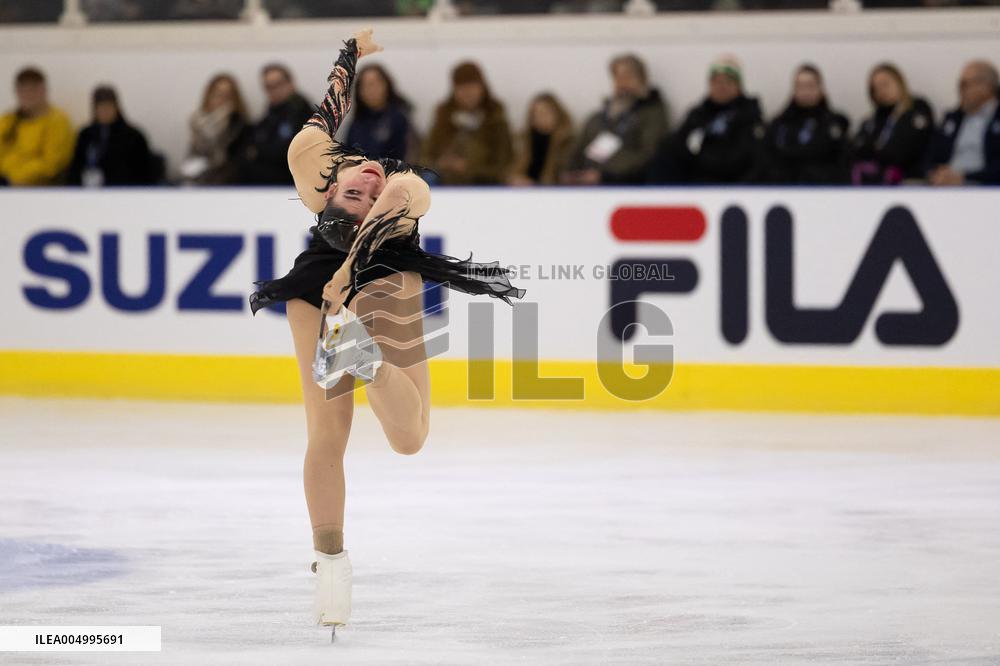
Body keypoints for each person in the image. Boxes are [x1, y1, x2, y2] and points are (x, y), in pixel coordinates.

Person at [247, 29, 525, 638]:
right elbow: (397, 187)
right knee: (399, 435)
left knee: (356, 438)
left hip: (338, 284)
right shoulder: (378, 183)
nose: (372, 181)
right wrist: (346, 278)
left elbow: (330, 107)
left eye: (366, 188)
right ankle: (330, 557)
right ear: (327, 204)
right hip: (371, 280)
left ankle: (331, 567)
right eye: (361, 192)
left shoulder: (331, 170)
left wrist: (349, 53)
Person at [656, 55, 764, 184]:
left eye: (727, 82)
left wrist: (703, 157)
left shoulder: (749, 115)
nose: (721, 87)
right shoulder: (698, 114)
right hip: (696, 184)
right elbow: (677, 145)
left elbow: (744, 155)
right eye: (716, 81)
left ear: (738, 85)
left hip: (733, 184)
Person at [563, 53, 667, 185]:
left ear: (642, 79)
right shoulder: (597, 119)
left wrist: (606, 176)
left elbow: (649, 156)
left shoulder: (653, 114)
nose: (622, 83)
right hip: (587, 186)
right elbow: (576, 151)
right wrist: (571, 172)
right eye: (617, 77)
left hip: (625, 187)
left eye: (628, 77)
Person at [752, 64, 850, 185]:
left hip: (821, 190)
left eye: (810, 86)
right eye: (800, 86)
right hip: (782, 189)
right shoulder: (779, 125)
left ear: (821, 89)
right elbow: (766, 158)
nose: (805, 92)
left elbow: (840, 162)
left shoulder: (833, 125)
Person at [420, 61, 513, 185]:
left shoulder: (495, 118)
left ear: (482, 88)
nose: (468, 93)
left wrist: (468, 168)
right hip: (445, 184)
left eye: (472, 86)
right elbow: (425, 158)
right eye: (462, 87)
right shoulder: (443, 117)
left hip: (484, 185)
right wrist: (441, 163)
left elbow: (504, 164)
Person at [849, 63, 934, 185]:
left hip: (910, 179)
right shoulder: (874, 118)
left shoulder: (917, 108)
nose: (881, 91)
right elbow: (855, 150)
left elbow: (902, 152)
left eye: (885, 84)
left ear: (899, 82)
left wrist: (875, 150)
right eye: (875, 88)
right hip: (874, 180)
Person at [235, 63, 313, 185]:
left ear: (291, 84)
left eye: (278, 84)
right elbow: (251, 144)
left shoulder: (304, 114)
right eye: (268, 87)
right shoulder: (270, 114)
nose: (274, 91)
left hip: (290, 185)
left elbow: (287, 153)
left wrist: (258, 151)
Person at [927, 60, 1000, 186]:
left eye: (965, 84)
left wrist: (965, 177)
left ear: (987, 86)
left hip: (987, 189)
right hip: (946, 187)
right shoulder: (952, 119)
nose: (960, 89)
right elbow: (930, 155)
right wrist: (936, 173)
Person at [67, 85, 155, 187]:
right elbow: (75, 169)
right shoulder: (85, 135)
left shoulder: (134, 137)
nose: (105, 111)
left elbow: (144, 173)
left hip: (125, 192)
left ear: (117, 108)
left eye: (109, 107)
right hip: (89, 194)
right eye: (101, 107)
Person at [0, 67, 74, 186]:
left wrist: (14, 177)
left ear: (44, 90)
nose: (27, 95)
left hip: (38, 189)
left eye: (33, 90)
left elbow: (51, 164)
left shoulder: (57, 122)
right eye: (22, 90)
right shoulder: (7, 120)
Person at [180, 73, 249, 185]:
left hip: (224, 183)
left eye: (227, 95)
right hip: (195, 180)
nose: (221, 99)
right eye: (218, 94)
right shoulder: (197, 122)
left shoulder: (238, 124)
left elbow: (231, 161)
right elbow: (192, 154)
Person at [344, 64, 417, 162]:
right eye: (365, 85)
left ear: (387, 85)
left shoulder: (399, 118)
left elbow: (408, 157)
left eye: (374, 83)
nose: (371, 90)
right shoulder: (356, 123)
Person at [508, 92, 575, 186]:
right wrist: (514, 178)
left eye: (545, 112)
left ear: (557, 114)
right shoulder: (523, 141)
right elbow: (508, 170)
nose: (540, 117)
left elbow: (566, 177)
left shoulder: (568, 143)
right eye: (535, 114)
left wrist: (535, 185)